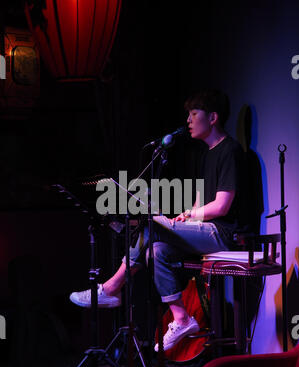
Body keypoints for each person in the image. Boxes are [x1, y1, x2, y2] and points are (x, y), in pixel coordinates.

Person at [70, 89, 247, 352]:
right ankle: (182, 318)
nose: (188, 120)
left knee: (153, 225)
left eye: (193, 114)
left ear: (212, 118)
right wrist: (186, 215)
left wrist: (186, 218)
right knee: (156, 250)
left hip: (221, 234)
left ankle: (111, 287)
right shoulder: (205, 154)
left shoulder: (230, 150)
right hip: (204, 229)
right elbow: (201, 202)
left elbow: (222, 206)